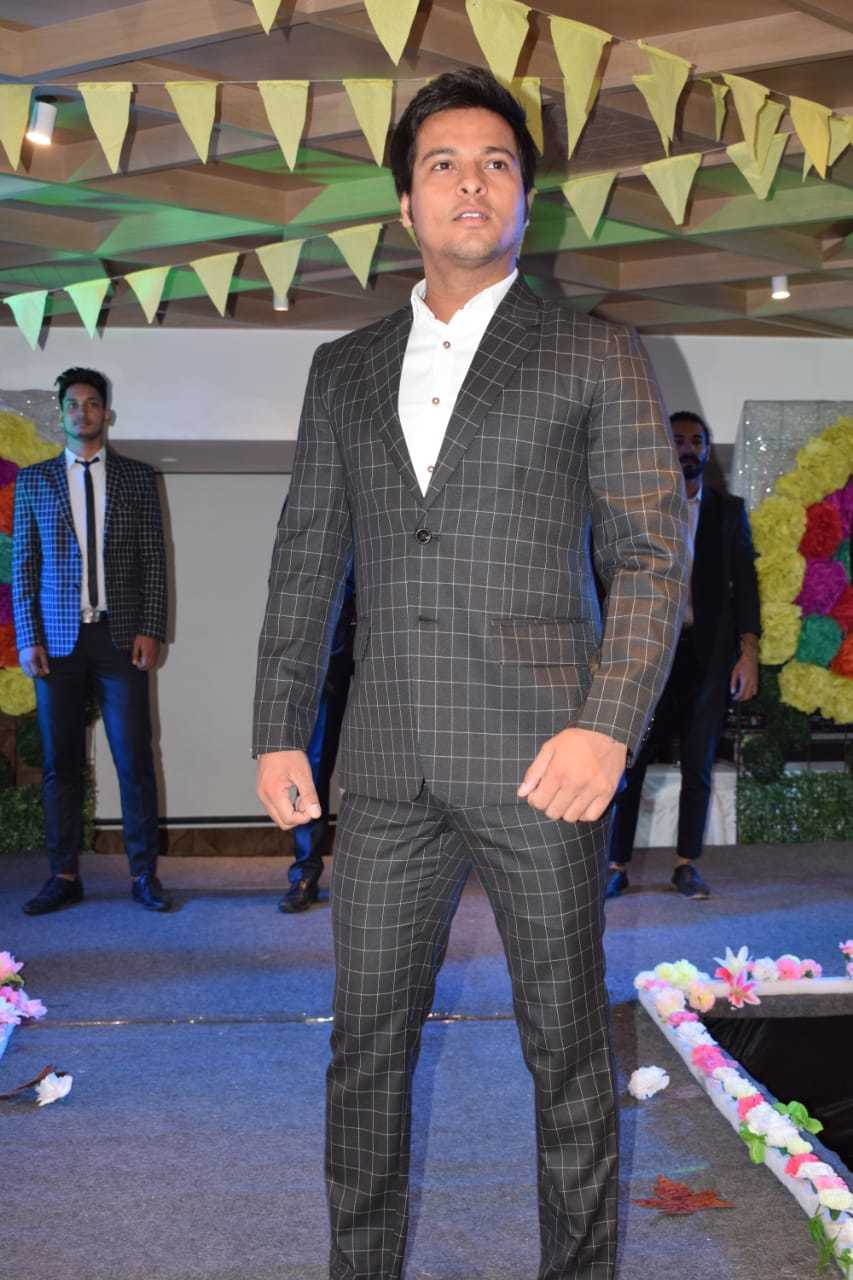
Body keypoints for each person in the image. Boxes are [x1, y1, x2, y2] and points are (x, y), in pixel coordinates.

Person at [253, 68, 687, 1280]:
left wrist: (607, 723)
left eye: (497, 162)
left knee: (566, 1054)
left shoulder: (594, 353)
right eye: (442, 162)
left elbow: (651, 554)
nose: (470, 182)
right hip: (387, 762)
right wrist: (279, 721)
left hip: (545, 756)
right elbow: (307, 555)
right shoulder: (342, 368)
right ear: (405, 202)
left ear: (525, 200)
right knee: (364, 1051)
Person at [12, 366, 170, 915]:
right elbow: (24, 565)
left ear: (107, 413)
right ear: (61, 415)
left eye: (92, 403)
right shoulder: (34, 481)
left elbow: (154, 559)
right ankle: (63, 874)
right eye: (73, 404)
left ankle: (143, 874)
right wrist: (28, 637)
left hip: (119, 639)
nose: (83, 411)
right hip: (56, 643)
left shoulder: (137, 478)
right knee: (61, 762)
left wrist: (151, 627)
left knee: (134, 758)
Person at [606, 410, 760, 901]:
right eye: (677, 440)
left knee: (698, 763)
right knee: (630, 762)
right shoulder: (641, 506)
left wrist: (748, 653)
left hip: (707, 657)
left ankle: (685, 865)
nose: (687, 448)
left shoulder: (728, 511)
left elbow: (746, 586)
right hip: (650, 652)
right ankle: (615, 865)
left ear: (708, 450)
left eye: (697, 440)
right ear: (663, 446)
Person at [278, 564, 355, 913]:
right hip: (328, 643)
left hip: (391, 642)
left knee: (391, 760)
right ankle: (304, 873)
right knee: (314, 762)